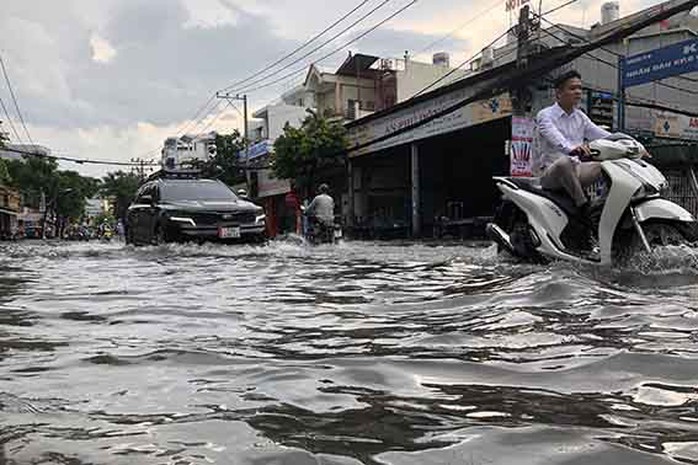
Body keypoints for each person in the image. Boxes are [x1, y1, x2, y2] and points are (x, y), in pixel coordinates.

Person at [534, 70, 610, 211]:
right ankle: (583, 206)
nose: (578, 92)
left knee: (608, 166)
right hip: (550, 174)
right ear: (558, 93)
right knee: (565, 162)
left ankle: (602, 206)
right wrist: (573, 149)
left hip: (577, 170)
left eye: (580, 88)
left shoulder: (580, 117)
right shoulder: (545, 115)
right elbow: (556, 138)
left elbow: (603, 135)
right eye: (572, 88)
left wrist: (631, 144)